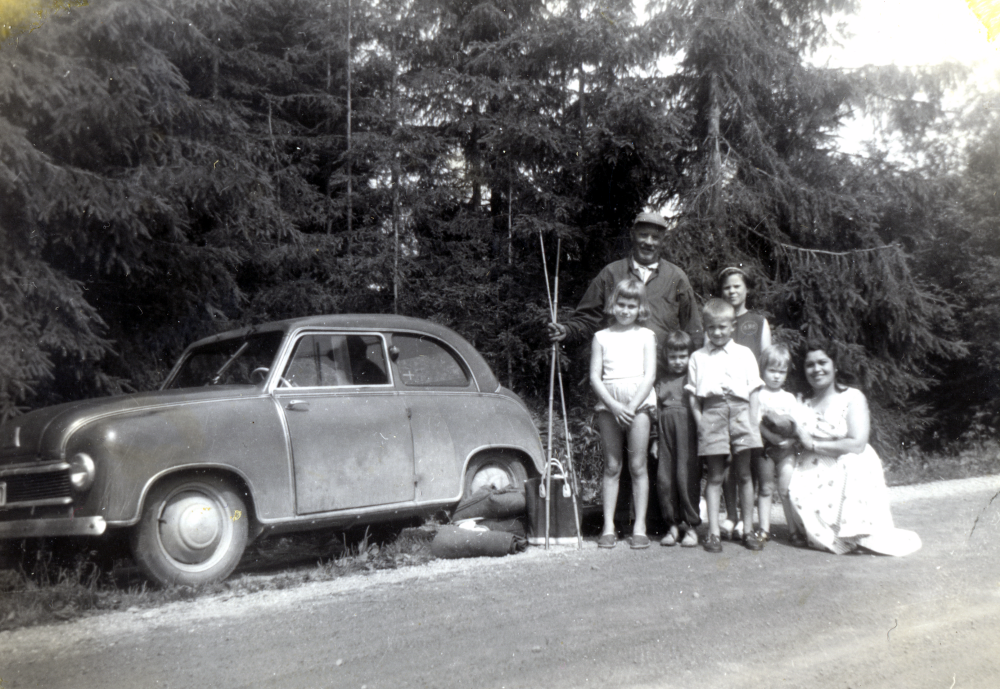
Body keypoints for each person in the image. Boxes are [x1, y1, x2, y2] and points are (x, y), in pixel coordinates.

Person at [787, 340, 921, 556]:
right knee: (795, 488)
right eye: (810, 365)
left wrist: (812, 443)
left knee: (852, 462)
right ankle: (837, 538)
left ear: (835, 365)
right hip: (814, 464)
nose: (816, 369)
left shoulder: (851, 397)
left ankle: (858, 535)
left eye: (822, 362)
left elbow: (857, 443)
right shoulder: (804, 403)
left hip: (849, 459)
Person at [547, 212, 702, 350]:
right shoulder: (611, 273)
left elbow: (693, 330)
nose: (649, 242)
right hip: (619, 369)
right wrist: (568, 330)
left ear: (663, 240)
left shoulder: (676, 277)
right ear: (632, 235)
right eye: (643, 235)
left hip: (663, 372)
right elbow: (587, 319)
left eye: (655, 237)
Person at [686, 299, 764, 553]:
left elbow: (754, 390)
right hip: (713, 412)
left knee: (743, 474)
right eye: (711, 328)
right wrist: (701, 422)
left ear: (732, 326)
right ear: (706, 328)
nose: (717, 332)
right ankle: (714, 533)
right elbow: (693, 397)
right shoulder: (698, 357)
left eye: (722, 327)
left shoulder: (744, 354)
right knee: (716, 476)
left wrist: (752, 421)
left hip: (741, 414)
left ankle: (749, 529)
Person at [590, 278, 657, 550]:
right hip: (609, 404)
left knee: (638, 466)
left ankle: (639, 526)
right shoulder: (602, 337)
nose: (626, 310)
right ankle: (608, 526)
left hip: (638, 404)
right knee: (612, 466)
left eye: (632, 305)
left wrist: (631, 406)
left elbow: (650, 374)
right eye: (621, 304)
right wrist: (615, 406)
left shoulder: (646, 335)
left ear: (640, 307)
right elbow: (595, 376)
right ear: (613, 304)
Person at [717, 266, 771, 540]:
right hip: (724, 403)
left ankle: (749, 519)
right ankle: (732, 516)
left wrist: (759, 404)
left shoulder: (758, 321)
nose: (732, 291)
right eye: (727, 287)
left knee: (747, 461)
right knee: (726, 461)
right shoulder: (718, 322)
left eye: (737, 286)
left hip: (751, 399)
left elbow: (767, 362)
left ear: (747, 289)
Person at [654, 331, 701, 548]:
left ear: (690, 356)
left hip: (688, 433)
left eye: (683, 356)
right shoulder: (661, 380)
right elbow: (655, 411)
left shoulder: (694, 379)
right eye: (673, 356)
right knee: (666, 480)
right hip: (665, 434)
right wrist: (655, 439)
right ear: (666, 356)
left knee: (687, 477)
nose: (678, 361)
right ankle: (672, 526)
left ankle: (691, 527)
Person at [754, 344, 802, 547]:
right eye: (772, 371)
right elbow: (755, 420)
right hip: (766, 448)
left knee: (786, 489)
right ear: (763, 369)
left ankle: (793, 530)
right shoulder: (758, 394)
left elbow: (798, 424)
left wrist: (791, 441)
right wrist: (770, 437)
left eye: (781, 372)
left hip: (786, 451)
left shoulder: (789, 397)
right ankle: (764, 529)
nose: (776, 376)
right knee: (765, 488)